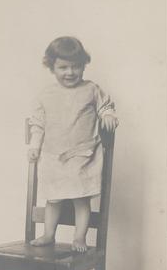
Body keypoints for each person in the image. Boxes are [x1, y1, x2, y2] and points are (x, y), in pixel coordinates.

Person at [27, 36, 118, 253]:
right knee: (53, 199)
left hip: (82, 156)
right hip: (53, 156)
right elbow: (38, 124)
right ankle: (49, 234)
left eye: (76, 67)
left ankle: (79, 237)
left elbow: (105, 105)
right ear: (52, 67)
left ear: (84, 66)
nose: (70, 72)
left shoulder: (91, 89)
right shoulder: (46, 95)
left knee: (81, 200)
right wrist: (34, 146)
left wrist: (107, 115)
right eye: (63, 67)